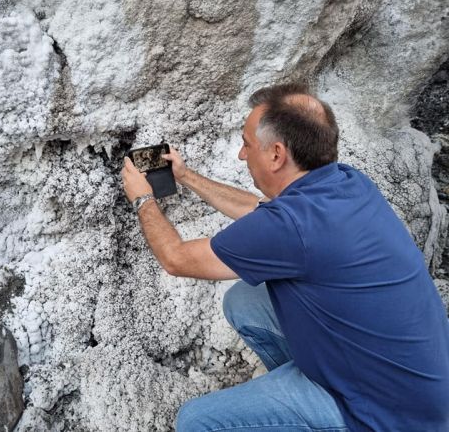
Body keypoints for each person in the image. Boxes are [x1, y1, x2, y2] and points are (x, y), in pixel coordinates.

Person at [120, 83, 449, 432]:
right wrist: (186, 177)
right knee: (245, 301)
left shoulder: (292, 227)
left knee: (197, 422)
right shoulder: (347, 183)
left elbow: (176, 259)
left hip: (391, 414)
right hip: (424, 383)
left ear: (276, 155)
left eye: (247, 144)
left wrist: (143, 199)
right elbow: (259, 211)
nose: (242, 155)